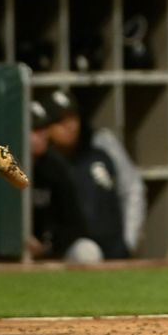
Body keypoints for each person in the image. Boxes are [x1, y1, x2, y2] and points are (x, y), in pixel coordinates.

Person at [42, 89, 147, 259]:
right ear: (47, 128)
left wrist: (129, 240)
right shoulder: (44, 165)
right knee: (86, 252)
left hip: (115, 250)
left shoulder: (101, 146)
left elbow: (133, 188)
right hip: (70, 253)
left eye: (73, 118)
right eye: (60, 121)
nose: (71, 126)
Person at [28, 100, 103, 262]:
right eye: (35, 130)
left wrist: (48, 245)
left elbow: (77, 225)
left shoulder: (55, 166)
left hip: (50, 248)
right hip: (4, 252)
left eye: (44, 129)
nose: (43, 135)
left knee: (87, 251)